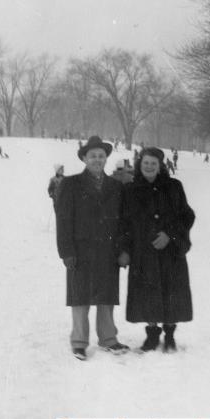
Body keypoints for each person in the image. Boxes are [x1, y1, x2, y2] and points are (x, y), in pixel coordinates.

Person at [55, 136, 129, 361]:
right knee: (80, 297)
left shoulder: (117, 186)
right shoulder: (70, 184)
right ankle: (79, 342)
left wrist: (123, 249)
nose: (97, 159)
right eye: (93, 156)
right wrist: (66, 251)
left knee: (106, 296)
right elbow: (64, 220)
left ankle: (108, 339)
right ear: (85, 158)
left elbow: (124, 221)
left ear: (106, 158)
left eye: (101, 156)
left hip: (108, 250)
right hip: (81, 250)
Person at [119, 147, 195, 353]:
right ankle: (152, 336)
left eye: (153, 163)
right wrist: (125, 249)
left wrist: (169, 235)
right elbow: (124, 223)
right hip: (143, 252)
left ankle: (170, 335)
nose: (149, 167)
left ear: (160, 166)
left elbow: (187, 216)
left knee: (171, 291)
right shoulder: (130, 190)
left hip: (170, 251)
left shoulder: (174, 187)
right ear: (139, 164)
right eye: (146, 163)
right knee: (147, 292)